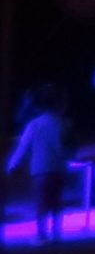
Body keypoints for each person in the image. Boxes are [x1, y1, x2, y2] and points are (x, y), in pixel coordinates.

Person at [7, 84, 70, 241]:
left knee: (41, 202)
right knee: (56, 201)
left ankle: (42, 234)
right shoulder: (62, 124)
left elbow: (23, 147)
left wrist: (11, 165)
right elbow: (68, 147)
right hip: (59, 169)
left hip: (40, 170)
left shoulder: (34, 125)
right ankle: (57, 233)